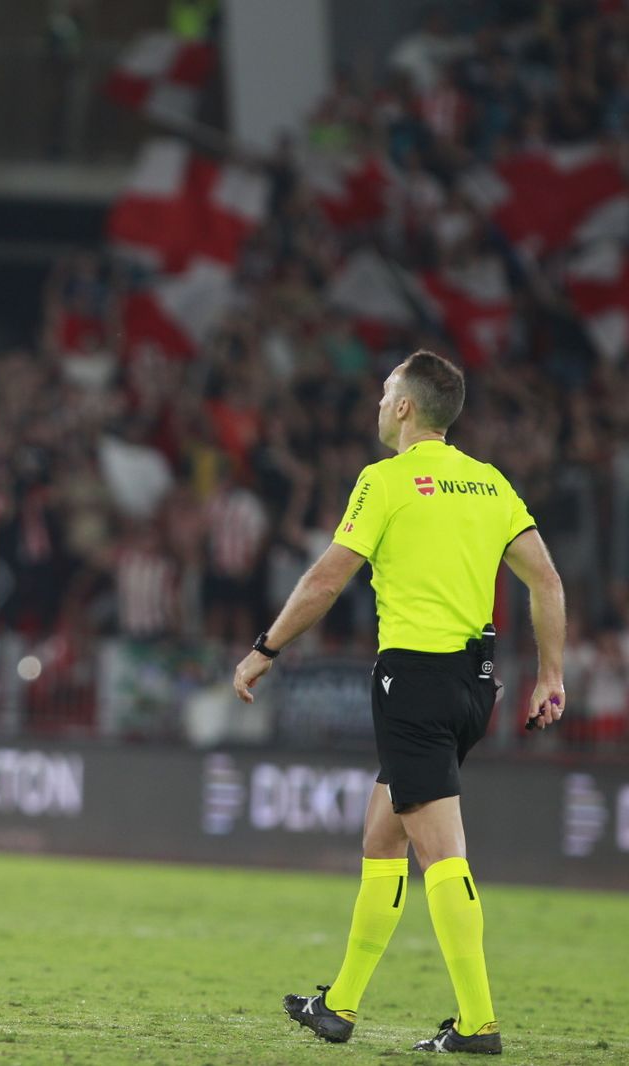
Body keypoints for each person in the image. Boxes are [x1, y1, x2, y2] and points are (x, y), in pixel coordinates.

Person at [232, 350, 566, 1055]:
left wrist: (265, 649)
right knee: (383, 835)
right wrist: (550, 676)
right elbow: (548, 583)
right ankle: (339, 1006)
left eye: (387, 393)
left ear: (407, 407)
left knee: (441, 853)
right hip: (475, 686)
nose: (380, 404)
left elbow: (325, 581)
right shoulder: (489, 484)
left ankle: (478, 1023)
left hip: (413, 682)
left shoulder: (383, 482)